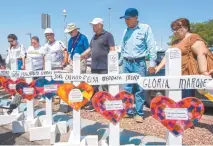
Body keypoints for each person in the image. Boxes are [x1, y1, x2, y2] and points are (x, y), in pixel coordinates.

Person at [153, 18, 213, 97]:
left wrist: (203, 72)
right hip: (178, 76)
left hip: (190, 76)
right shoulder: (175, 42)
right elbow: (167, 56)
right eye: (173, 30)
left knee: (189, 101)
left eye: (177, 29)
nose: (174, 32)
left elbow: (201, 53)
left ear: (186, 28)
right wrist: (158, 67)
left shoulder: (193, 38)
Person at [119, 8, 157, 123]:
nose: (126, 21)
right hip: (126, 63)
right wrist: (119, 63)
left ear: (136, 18)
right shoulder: (125, 31)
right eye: (125, 19)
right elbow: (122, 48)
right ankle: (128, 111)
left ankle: (139, 113)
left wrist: (152, 63)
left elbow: (151, 46)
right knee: (127, 88)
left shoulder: (145, 28)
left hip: (139, 63)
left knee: (139, 89)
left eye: (128, 19)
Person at [83, 18, 115, 111]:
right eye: (92, 25)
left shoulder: (108, 35)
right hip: (94, 66)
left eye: (95, 25)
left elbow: (112, 49)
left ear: (100, 25)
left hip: (104, 65)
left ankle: (108, 105)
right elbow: (90, 49)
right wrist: (81, 56)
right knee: (93, 86)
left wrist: (112, 65)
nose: (93, 27)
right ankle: (95, 104)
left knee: (105, 86)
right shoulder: (93, 37)